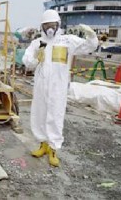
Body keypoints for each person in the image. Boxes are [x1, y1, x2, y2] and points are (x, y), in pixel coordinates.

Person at [22, 9, 98, 167]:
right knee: (40, 113)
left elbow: (89, 47)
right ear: (42, 27)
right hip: (42, 85)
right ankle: (42, 144)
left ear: (58, 25)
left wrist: (91, 35)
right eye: (47, 25)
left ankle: (53, 149)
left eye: (53, 24)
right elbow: (27, 61)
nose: (50, 28)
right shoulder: (37, 43)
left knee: (55, 115)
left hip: (59, 86)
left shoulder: (67, 41)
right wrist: (36, 58)